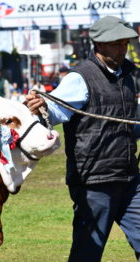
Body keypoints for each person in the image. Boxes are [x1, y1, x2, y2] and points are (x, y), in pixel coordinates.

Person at [26, 16, 140, 262]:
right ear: (99, 45)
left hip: (130, 179)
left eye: (125, 43)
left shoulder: (130, 75)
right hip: (94, 182)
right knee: (87, 254)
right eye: (117, 43)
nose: (124, 48)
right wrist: (41, 105)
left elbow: (132, 123)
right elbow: (55, 110)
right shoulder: (80, 78)